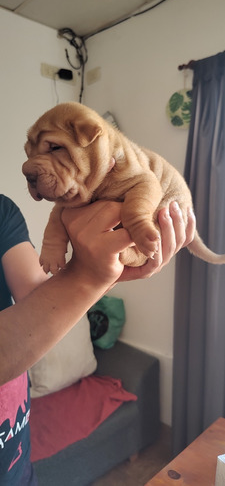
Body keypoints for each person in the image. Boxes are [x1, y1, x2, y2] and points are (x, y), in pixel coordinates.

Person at [0, 194, 196, 485]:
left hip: (19, 468)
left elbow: (41, 304)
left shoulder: (3, 211)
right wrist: (89, 276)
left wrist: (105, 271)